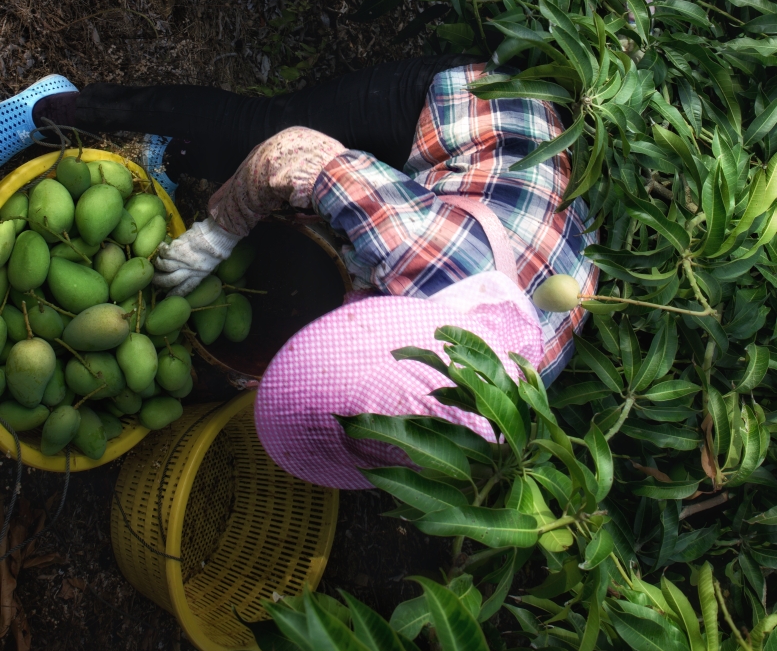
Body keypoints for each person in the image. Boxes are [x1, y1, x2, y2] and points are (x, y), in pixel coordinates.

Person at [1, 58, 596, 487]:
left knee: (321, 211)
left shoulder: (514, 389)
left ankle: (177, 161)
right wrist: (220, 231)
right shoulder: (408, 242)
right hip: (481, 113)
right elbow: (294, 151)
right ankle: (60, 107)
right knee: (256, 131)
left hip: (524, 216)